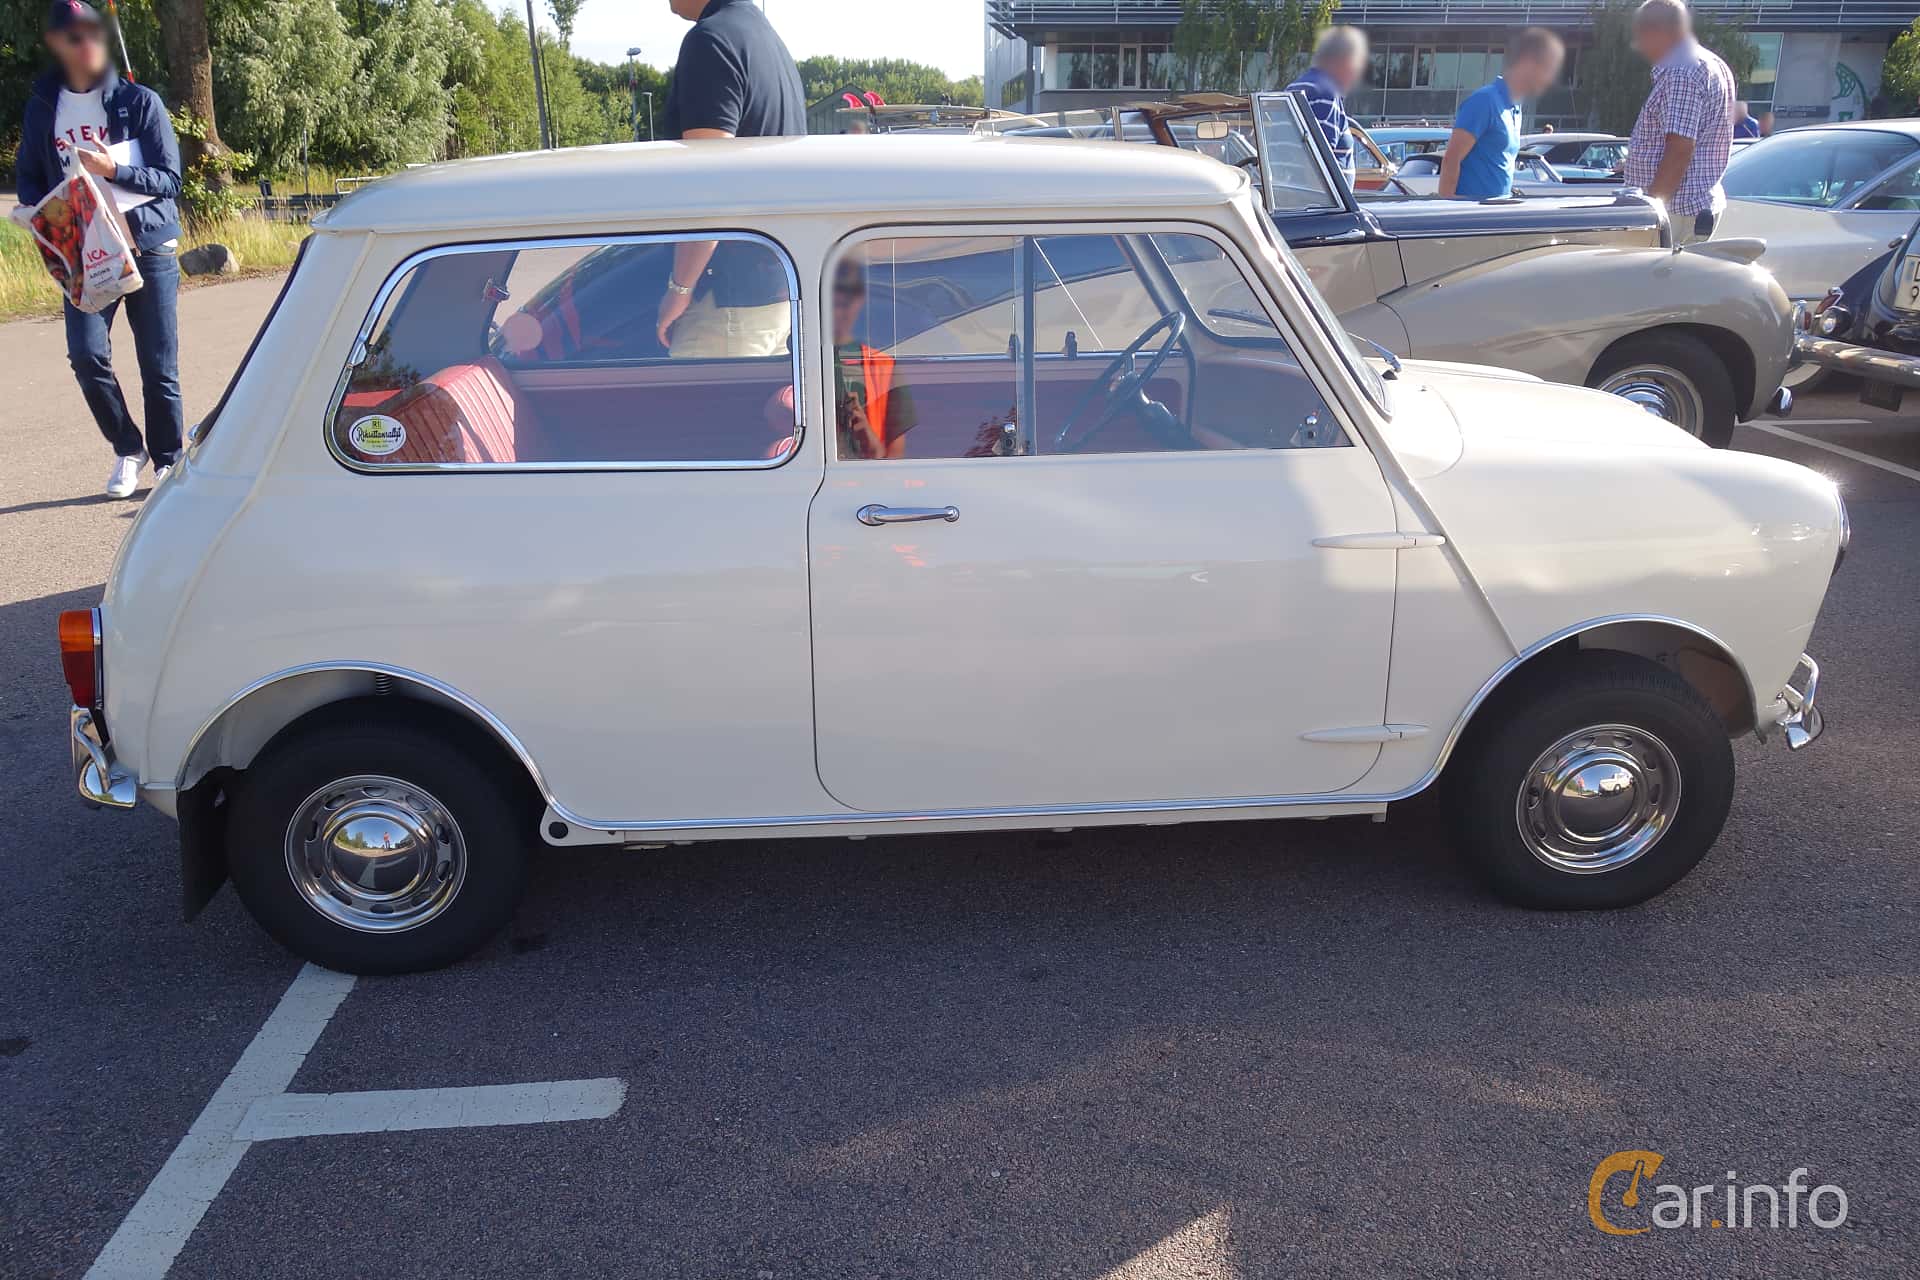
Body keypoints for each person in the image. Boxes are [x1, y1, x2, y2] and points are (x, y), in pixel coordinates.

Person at [15, 0, 183, 498]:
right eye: (74, 37)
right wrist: (32, 210)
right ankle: (128, 448)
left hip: (147, 247)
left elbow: (170, 179)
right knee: (86, 355)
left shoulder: (140, 102)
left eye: (92, 34)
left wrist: (114, 172)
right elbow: (29, 173)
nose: (86, 45)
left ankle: (169, 462)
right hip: (84, 252)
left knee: (158, 364)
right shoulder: (44, 105)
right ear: (58, 46)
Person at [655, 0, 806, 357]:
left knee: (700, 412)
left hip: (726, 303)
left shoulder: (710, 41)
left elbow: (712, 183)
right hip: (773, 287)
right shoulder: (766, 40)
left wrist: (679, 288)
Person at [1622, 0, 1736, 244]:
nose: (1639, 47)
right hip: (1691, 207)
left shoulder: (1681, 71)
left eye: (1640, 37)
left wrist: (1650, 213)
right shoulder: (1711, 63)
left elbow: (1680, 149)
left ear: (1657, 32)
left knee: (1657, 282)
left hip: (1675, 212)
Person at [1438, 28, 1565, 199]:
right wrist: (1447, 210)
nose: (1549, 78)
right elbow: (1451, 159)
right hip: (1471, 215)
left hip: (1497, 213)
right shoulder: (1484, 101)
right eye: (1547, 68)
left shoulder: (1516, 108)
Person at [1286, 26, 1367, 184]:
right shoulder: (1326, 92)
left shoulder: (1295, 86)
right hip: (1320, 202)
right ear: (1342, 61)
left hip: (1296, 192)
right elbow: (1320, 158)